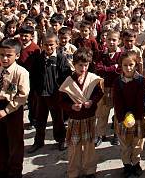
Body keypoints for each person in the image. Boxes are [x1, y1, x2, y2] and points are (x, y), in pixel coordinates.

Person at [0, 38, 30, 178]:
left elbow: (22, 95)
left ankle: (15, 172)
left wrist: (7, 110)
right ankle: (2, 169)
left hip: (12, 111)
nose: (4, 58)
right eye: (2, 54)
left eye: (8, 55)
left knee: (15, 143)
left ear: (17, 55)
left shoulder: (21, 72)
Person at [59, 48, 104, 178]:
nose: (83, 68)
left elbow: (99, 93)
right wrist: (72, 106)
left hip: (89, 118)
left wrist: (92, 101)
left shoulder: (93, 79)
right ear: (74, 64)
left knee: (89, 147)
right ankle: (73, 171)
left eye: (86, 65)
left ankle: (90, 170)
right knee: (74, 148)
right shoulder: (68, 82)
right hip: (75, 120)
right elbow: (61, 101)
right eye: (80, 65)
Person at [29, 30, 72, 153]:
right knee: (40, 119)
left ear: (56, 44)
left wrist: (61, 91)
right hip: (41, 95)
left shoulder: (61, 58)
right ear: (42, 45)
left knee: (57, 118)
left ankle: (61, 139)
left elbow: (66, 76)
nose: (48, 47)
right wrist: (35, 91)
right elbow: (33, 76)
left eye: (51, 44)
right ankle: (38, 141)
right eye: (46, 44)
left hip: (55, 95)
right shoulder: (38, 59)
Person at [113, 50, 145, 178]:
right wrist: (123, 117)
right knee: (125, 143)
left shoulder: (141, 81)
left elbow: (140, 100)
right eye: (125, 65)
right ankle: (127, 164)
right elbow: (117, 102)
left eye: (131, 65)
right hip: (122, 118)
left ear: (136, 65)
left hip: (137, 117)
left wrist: (136, 116)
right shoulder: (117, 82)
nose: (128, 68)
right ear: (121, 66)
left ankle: (136, 163)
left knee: (137, 143)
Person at [93, 29, 122, 146]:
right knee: (102, 112)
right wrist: (112, 68)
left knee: (118, 111)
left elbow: (120, 70)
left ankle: (117, 133)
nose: (111, 42)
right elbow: (98, 68)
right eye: (109, 39)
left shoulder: (121, 55)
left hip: (117, 88)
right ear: (105, 40)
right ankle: (100, 134)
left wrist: (110, 69)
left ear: (118, 41)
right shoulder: (102, 54)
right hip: (104, 87)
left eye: (114, 40)